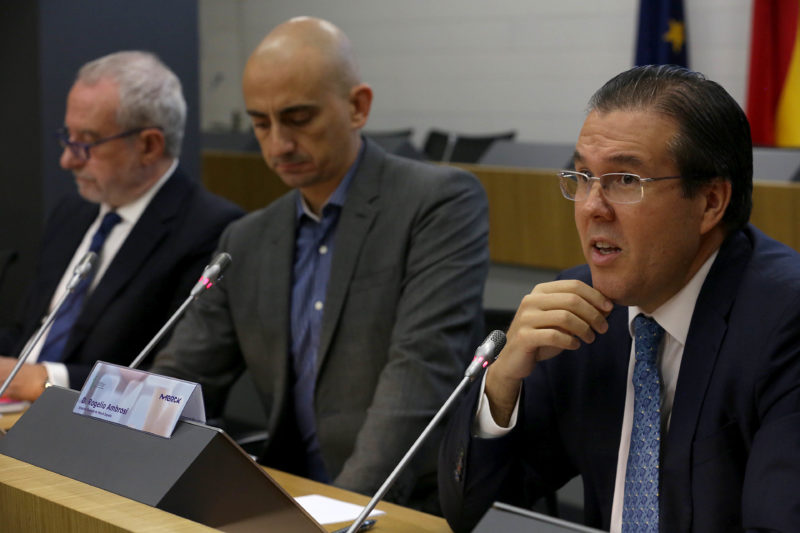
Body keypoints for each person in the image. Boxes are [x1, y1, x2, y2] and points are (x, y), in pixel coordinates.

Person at [439, 65, 800, 532]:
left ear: (710, 202)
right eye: (583, 176)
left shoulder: (784, 321)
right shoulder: (581, 310)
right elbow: (473, 513)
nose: (592, 206)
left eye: (626, 180)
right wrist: (502, 381)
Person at [149, 16, 489, 510]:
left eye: (298, 118)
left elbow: (416, 378)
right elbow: (180, 374)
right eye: (261, 124)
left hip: (402, 501)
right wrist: (127, 441)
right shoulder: (246, 239)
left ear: (358, 107)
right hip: (288, 494)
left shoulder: (438, 203)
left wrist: (343, 511)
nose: (278, 145)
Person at [0, 51, 243, 401]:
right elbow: (27, 334)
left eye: (86, 142)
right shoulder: (73, 212)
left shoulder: (211, 230)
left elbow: (172, 381)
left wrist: (48, 380)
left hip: (95, 425)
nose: (66, 160)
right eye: (67, 138)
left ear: (149, 146)